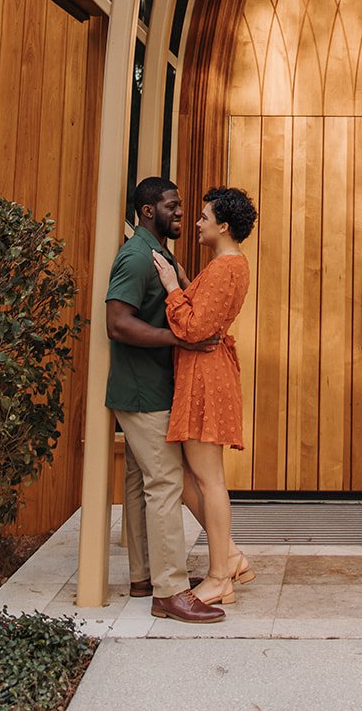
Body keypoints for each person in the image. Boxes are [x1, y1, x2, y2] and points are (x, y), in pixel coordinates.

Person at [105, 175, 225, 624]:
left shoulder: (158, 252)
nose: (181, 212)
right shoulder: (136, 258)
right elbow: (117, 324)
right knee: (166, 484)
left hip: (150, 388)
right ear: (148, 210)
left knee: (140, 483)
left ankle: (145, 577)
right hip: (141, 393)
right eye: (173, 205)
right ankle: (170, 591)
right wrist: (180, 341)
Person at [151, 185, 257, 608]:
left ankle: (219, 577)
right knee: (190, 476)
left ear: (224, 225)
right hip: (208, 372)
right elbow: (208, 312)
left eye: (204, 217)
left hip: (205, 376)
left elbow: (194, 328)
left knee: (207, 479)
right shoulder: (230, 265)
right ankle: (230, 558)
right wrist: (183, 280)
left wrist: (170, 287)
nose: (196, 223)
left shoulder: (225, 267)